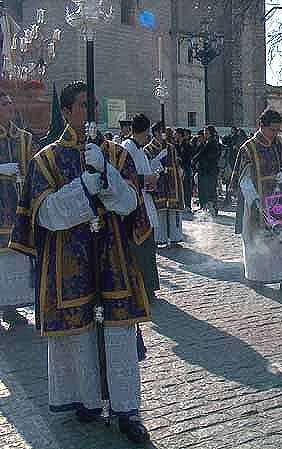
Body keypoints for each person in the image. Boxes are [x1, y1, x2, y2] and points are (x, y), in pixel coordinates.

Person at [9, 81, 151, 443]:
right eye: (84, 105)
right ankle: (87, 399)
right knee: (80, 337)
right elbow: (46, 216)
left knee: (118, 337)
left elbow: (131, 204)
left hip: (112, 259)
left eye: (95, 105)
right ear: (67, 111)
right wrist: (83, 187)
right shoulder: (46, 159)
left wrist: (107, 176)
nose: (92, 112)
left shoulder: (116, 155)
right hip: (68, 264)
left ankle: (127, 409)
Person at [231, 110, 282, 292]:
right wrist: (254, 200)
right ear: (261, 126)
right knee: (258, 241)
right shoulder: (248, 148)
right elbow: (244, 179)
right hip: (257, 200)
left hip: (281, 200)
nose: (275, 134)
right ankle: (257, 278)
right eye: (272, 130)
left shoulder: (281, 144)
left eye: (278, 130)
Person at [0, 90, 34, 325]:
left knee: (15, 261)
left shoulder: (25, 138)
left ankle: (11, 306)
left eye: (10, 103)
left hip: (18, 208)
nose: (10, 107)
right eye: (4, 104)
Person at [121, 114, 161, 301]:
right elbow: (122, 178)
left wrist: (151, 179)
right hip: (135, 208)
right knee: (139, 249)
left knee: (147, 248)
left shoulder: (139, 149)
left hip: (145, 201)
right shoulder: (127, 148)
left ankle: (148, 287)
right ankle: (140, 288)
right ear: (145, 131)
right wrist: (148, 179)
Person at [145, 121, 185, 247]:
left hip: (173, 183)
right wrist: (159, 162)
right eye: (162, 132)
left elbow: (175, 163)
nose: (165, 134)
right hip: (159, 182)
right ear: (156, 133)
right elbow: (148, 167)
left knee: (173, 210)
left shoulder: (170, 147)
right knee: (160, 211)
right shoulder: (148, 149)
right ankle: (160, 239)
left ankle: (175, 238)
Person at [192, 126, 221, 215]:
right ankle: (210, 208)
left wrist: (194, 160)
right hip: (210, 170)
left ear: (210, 132)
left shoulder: (211, 142)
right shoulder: (212, 141)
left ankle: (209, 208)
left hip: (207, 170)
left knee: (207, 190)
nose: (204, 134)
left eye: (206, 132)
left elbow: (202, 153)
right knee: (210, 189)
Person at [175, 128, 195, 213]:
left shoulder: (187, 144)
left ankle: (187, 205)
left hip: (186, 168)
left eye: (176, 133)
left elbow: (189, 156)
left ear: (180, 134)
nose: (175, 135)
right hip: (178, 168)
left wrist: (180, 159)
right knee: (179, 187)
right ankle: (180, 204)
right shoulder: (175, 145)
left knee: (187, 187)